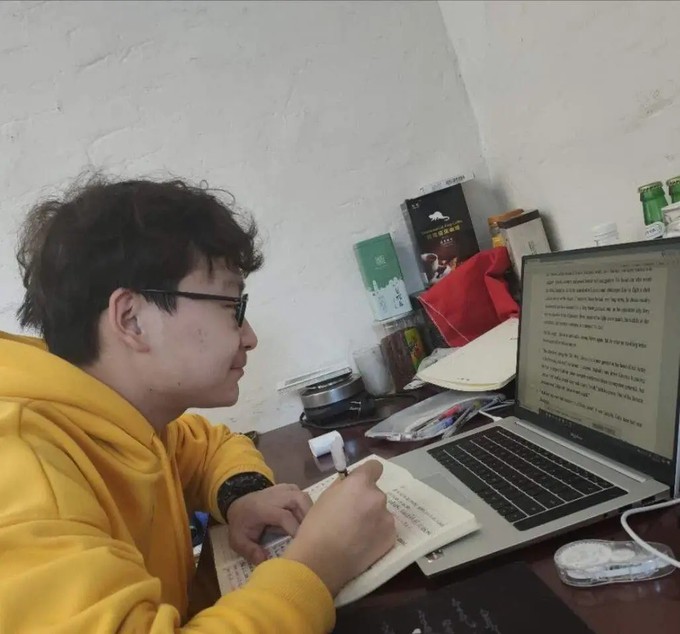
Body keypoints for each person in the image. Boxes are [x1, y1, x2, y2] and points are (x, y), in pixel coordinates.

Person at [0, 177, 396, 633]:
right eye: (232, 305)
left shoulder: (125, 420)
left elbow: (209, 448)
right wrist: (319, 565)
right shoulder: (26, 473)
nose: (250, 337)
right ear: (132, 319)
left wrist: (242, 496)